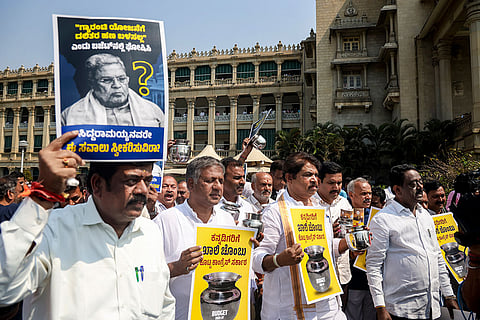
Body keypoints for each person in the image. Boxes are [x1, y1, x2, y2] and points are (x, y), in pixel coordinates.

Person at [0, 131, 175, 319]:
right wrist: (41, 196)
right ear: (97, 184)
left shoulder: (150, 233)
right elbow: (6, 289)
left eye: (147, 181)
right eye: (131, 181)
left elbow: (164, 307)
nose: (142, 190)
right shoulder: (53, 229)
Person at [253, 152, 348, 320]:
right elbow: (256, 259)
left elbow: (324, 248)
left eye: (316, 175)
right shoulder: (273, 213)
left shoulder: (320, 209)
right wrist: (279, 260)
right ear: (289, 178)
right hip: (289, 309)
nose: (314, 180)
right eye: (307, 175)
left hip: (327, 305)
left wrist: (348, 243)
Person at [366, 164, 458, 320]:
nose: (419, 187)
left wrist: (449, 294)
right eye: (412, 184)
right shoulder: (383, 220)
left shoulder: (425, 216)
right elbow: (373, 265)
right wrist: (380, 306)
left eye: (420, 182)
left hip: (432, 307)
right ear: (397, 190)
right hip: (401, 309)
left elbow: (437, 257)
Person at [155, 156, 236, 320]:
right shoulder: (165, 221)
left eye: (220, 181)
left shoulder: (227, 220)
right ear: (191, 184)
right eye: (210, 180)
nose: (217, 187)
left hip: (222, 312)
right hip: (179, 314)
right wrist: (177, 267)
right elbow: (146, 274)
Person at [61, 53, 164, 127]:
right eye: (107, 80)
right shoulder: (70, 115)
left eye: (121, 79)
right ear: (92, 83)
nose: (117, 85)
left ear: (127, 80)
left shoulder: (153, 112)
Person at [317, 162, 352, 307]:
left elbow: (349, 232)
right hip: (319, 274)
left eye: (339, 183)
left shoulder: (344, 203)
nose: (336, 187)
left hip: (343, 272)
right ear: (319, 182)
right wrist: (326, 230)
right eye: (331, 183)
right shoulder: (309, 205)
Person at [345, 178, 375, 320]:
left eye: (369, 193)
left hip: (373, 280)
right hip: (353, 279)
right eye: (363, 193)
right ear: (351, 195)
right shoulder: (344, 215)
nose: (368, 197)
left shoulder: (377, 216)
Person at [216, 157, 255, 223]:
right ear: (222, 179)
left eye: (243, 177)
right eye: (237, 178)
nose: (243, 182)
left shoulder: (247, 207)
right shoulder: (211, 206)